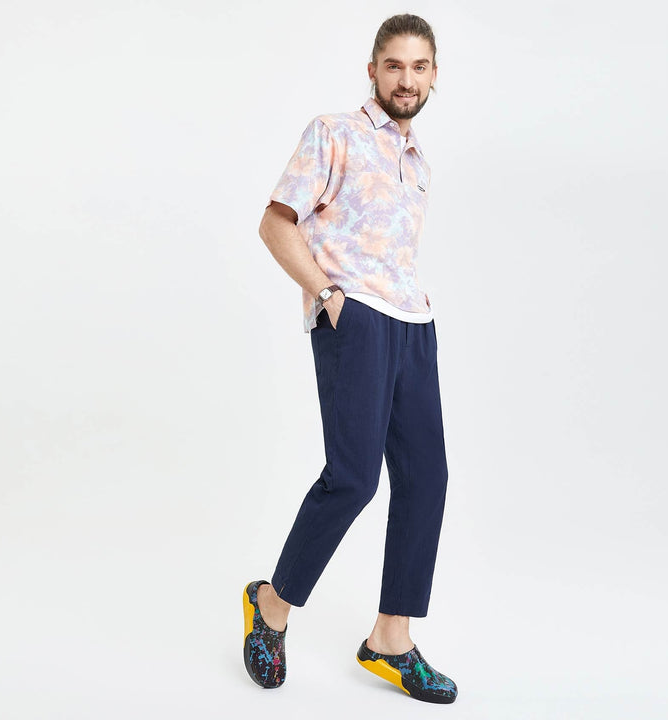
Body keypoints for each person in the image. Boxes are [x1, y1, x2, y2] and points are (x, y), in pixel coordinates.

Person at [243, 14, 457, 704]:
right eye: (394, 65)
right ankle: (271, 606)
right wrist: (327, 294)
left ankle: (390, 638)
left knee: (426, 478)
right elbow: (276, 222)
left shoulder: (418, 162)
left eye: (419, 67)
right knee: (354, 478)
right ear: (373, 70)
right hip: (354, 316)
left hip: (412, 321)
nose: (406, 79)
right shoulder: (333, 132)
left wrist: (413, 313)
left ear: (433, 76)